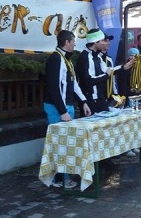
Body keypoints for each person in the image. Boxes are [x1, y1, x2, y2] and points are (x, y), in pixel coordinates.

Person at [43, 30, 92, 188]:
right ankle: (58, 178)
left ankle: (64, 175)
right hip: (57, 107)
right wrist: (63, 111)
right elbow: (54, 87)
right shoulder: (55, 59)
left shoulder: (67, 60)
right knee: (59, 143)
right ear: (67, 42)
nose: (75, 44)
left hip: (67, 105)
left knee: (66, 143)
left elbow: (74, 84)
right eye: (73, 41)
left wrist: (83, 102)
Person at [76, 29, 115, 113]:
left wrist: (123, 67)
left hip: (100, 98)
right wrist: (106, 75)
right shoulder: (84, 57)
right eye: (102, 41)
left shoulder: (97, 56)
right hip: (90, 100)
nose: (105, 43)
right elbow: (88, 80)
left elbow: (108, 70)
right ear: (95, 42)